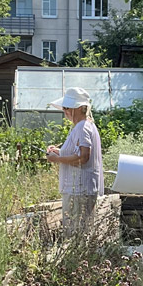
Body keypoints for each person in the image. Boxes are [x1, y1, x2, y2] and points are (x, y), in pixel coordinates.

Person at [45, 87, 104, 235]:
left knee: (76, 232)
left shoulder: (82, 127)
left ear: (77, 108)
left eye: (66, 108)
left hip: (79, 188)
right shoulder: (86, 125)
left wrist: (57, 159)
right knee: (82, 230)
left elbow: (84, 157)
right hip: (81, 187)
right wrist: (58, 152)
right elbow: (78, 153)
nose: (64, 111)